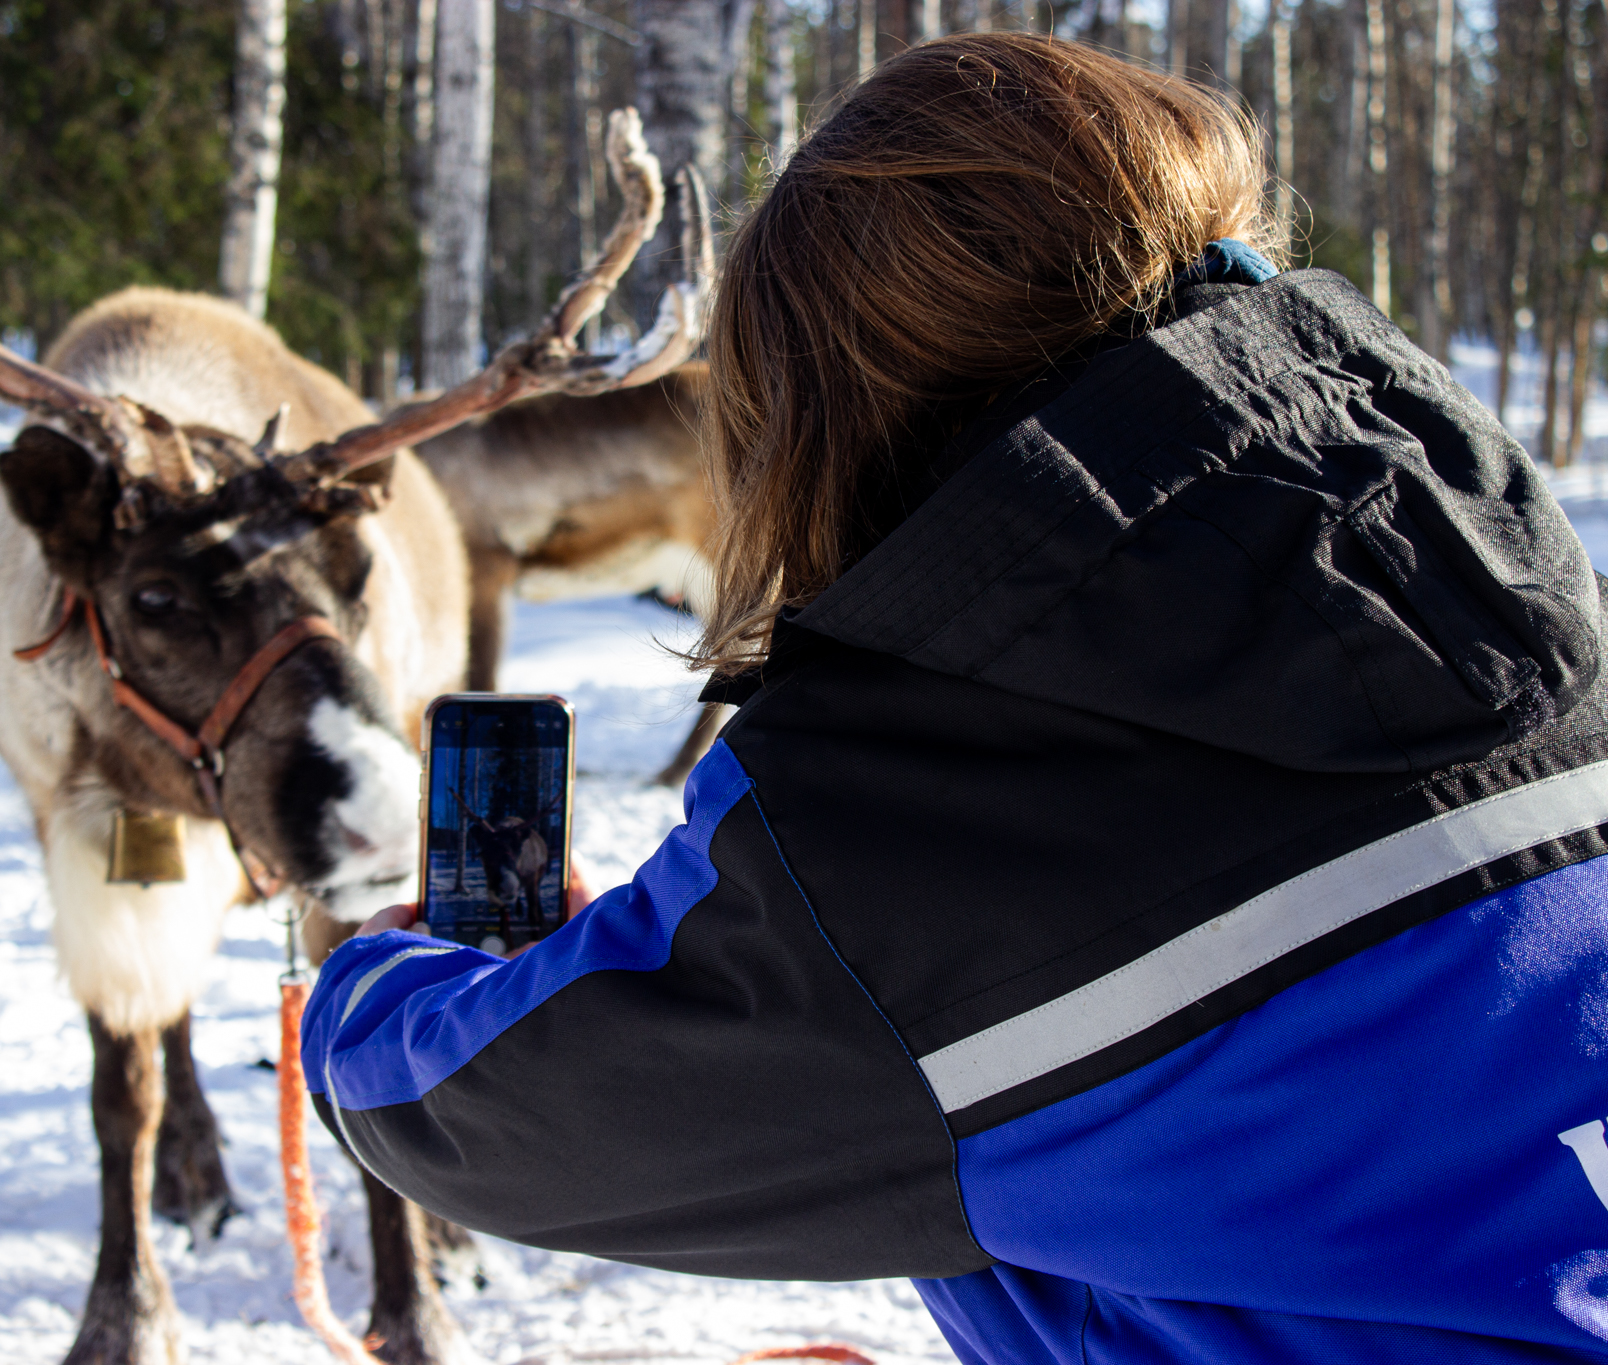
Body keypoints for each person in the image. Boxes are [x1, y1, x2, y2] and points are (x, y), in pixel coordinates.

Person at [302, 32, 1608, 1364]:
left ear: (821, 408)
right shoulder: (1529, 586)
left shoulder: (908, 812)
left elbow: (499, 1114)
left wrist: (363, 987)